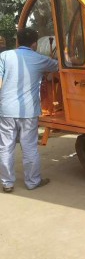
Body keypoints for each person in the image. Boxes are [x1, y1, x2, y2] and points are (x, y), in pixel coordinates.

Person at [0, 27, 58, 193]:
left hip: (6, 110)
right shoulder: (39, 59)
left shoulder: (4, 56)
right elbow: (59, 66)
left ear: (17, 41)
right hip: (28, 112)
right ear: (34, 44)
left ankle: (7, 183)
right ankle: (32, 182)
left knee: (5, 147)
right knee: (29, 147)